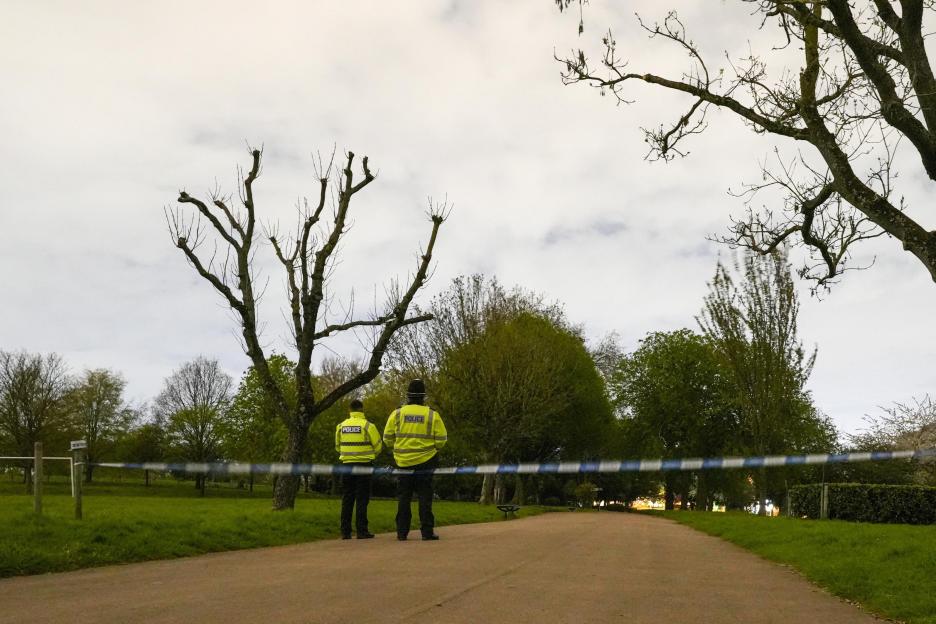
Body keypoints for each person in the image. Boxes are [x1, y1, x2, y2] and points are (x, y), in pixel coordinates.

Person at [383, 379, 447, 541]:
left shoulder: (397, 413)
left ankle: (401, 532)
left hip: (403, 462)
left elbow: (387, 438)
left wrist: (398, 449)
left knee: (404, 497)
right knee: (425, 497)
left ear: (408, 395)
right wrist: (432, 449)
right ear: (423, 396)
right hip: (426, 461)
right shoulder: (432, 414)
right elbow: (441, 440)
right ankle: (427, 532)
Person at [335, 398, 382, 539]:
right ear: (362, 410)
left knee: (347, 497)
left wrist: (348, 455)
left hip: (347, 465)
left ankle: (345, 531)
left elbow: (337, 446)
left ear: (349, 410)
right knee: (362, 498)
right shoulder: (368, 426)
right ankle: (362, 531)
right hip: (364, 465)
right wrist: (370, 456)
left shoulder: (341, 426)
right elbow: (378, 446)